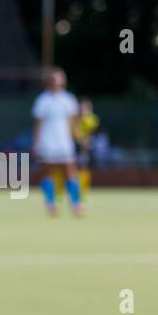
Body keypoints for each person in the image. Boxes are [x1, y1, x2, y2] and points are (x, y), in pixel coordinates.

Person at [32, 67, 82, 217]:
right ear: (49, 81)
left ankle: (76, 204)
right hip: (47, 142)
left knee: (70, 173)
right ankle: (51, 204)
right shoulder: (42, 100)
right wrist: (36, 142)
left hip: (64, 142)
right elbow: (38, 124)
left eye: (59, 78)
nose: (56, 81)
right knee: (47, 173)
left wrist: (79, 138)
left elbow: (74, 123)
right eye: (53, 78)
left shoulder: (69, 99)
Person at [72, 98, 100, 199]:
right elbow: (72, 132)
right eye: (81, 107)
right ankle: (71, 191)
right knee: (72, 170)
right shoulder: (74, 119)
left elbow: (90, 134)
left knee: (84, 169)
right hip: (75, 145)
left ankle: (83, 191)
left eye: (85, 108)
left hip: (85, 148)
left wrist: (85, 143)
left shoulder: (92, 119)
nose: (82, 110)